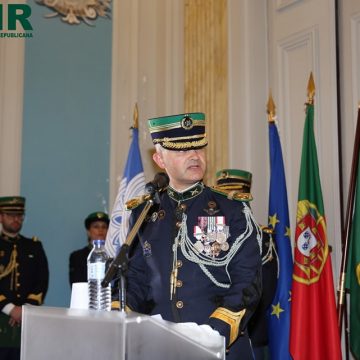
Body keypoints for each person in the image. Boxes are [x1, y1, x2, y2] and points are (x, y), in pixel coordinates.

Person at [125, 113, 263, 359]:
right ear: (159, 160)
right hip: (161, 348)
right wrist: (119, 311)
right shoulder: (144, 213)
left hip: (220, 346)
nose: (194, 156)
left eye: (199, 148)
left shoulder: (231, 209)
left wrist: (213, 334)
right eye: (181, 151)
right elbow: (135, 278)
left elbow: (248, 280)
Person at [213, 169, 278, 360]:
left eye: (232, 198)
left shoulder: (260, 237)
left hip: (249, 332)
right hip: (212, 329)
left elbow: (265, 291)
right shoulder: (210, 236)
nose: (226, 204)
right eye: (222, 197)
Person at [0, 196, 49, 360]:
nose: (16, 219)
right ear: (1, 217)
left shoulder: (34, 246)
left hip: (27, 323)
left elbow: (42, 281)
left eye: (19, 215)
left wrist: (25, 310)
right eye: (10, 215)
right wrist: (11, 309)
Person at [69, 211, 109, 286]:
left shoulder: (112, 254)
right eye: (96, 226)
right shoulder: (77, 257)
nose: (100, 230)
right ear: (88, 231)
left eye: (104, 227)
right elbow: (78, 285)